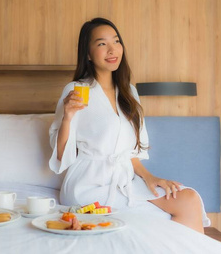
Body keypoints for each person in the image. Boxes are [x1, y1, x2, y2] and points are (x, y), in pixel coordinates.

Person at [49, 17, 209, 233]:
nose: (112, 49)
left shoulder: (129, 92)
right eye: (101, 44)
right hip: (88, 184)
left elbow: (130, 152)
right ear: (88, 54)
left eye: (116, 41)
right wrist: (67, 117)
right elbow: (61, 154)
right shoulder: (76, 90)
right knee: (155, 219)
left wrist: (151, 178)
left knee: (188, 200)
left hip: (125, 180)